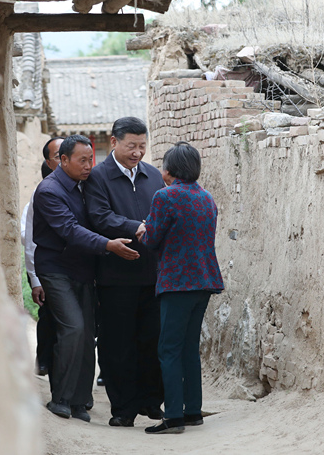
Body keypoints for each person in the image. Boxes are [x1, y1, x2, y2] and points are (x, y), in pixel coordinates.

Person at [33, 135, 139, 422]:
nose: (88, 166)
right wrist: (108, 245)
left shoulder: (84, 186)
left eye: (91, 159)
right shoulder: (49, 191)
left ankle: (80, 401)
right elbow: (70, 230)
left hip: (84, 269)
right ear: (63, 160)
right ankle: (61, 398)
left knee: (87, 332)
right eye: (82, 160)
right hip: (56, 269)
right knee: (73, 328)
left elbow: (99, 217)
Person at [83, 117, 166, 428]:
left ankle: (150, 401)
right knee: (117, 344)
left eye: (142, 146)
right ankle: (123, 408)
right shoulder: (99, 177)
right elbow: (99, 216)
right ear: (114, 142)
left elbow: (162, 212)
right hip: (115, 278)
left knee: (151, 340)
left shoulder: (153, 175)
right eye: (131, 146)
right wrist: (136, 227)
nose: (137, 153)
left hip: (153, 275)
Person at [137, 142, 224, 434]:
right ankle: (193, 410)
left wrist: (143, 229)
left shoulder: (165, 196)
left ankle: (173, 415)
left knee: (169, 349)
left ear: (170, 170)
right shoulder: (207, 197)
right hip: (205, 280)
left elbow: (151, 240)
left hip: (177, 282)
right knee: (189, 348)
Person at [24, 137, 63, 377]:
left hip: (80, 271)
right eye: (60, 155)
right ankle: (45, 360)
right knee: (50, 316)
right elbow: (28, 240)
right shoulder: (41, 196)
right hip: (49, 270)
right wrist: (35, 279)